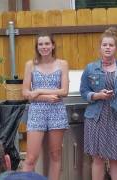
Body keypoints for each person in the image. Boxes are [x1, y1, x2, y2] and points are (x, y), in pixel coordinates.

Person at [80, 27, 117, 180]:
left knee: (116, 159)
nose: (107, 48)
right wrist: (97, 95)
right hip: (96, 118)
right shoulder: (90, 68)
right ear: (100, 47)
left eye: (111, 45)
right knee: (98, 158)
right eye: (104, 45)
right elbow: (83, 91)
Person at [22, 33, 69, 180]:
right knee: (30, 157)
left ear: (53, 45)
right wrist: (46, 97)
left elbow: (64, 91)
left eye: (47, 44)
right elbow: (25, 92)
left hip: (57, 112)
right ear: (37, 47)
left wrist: (38, 91)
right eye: (40, 44)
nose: (44, 47)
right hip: (36, 112)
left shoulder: (62, 64)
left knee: (55, 155)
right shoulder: (31, 65)